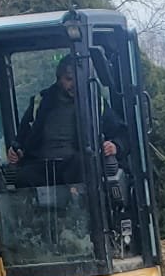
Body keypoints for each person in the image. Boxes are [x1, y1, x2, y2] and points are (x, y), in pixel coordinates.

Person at [7, 56, 125, 189]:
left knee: (83, 164)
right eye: (69, 79)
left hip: (76, 168)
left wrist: (115, 146)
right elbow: (21, 139)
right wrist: (15, 151)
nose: (74, 84)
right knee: (22, 176)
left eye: (78, 79)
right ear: (59, 79)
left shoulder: (95, 103)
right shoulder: (40, 103)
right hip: (42, 167)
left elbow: (122, 133)